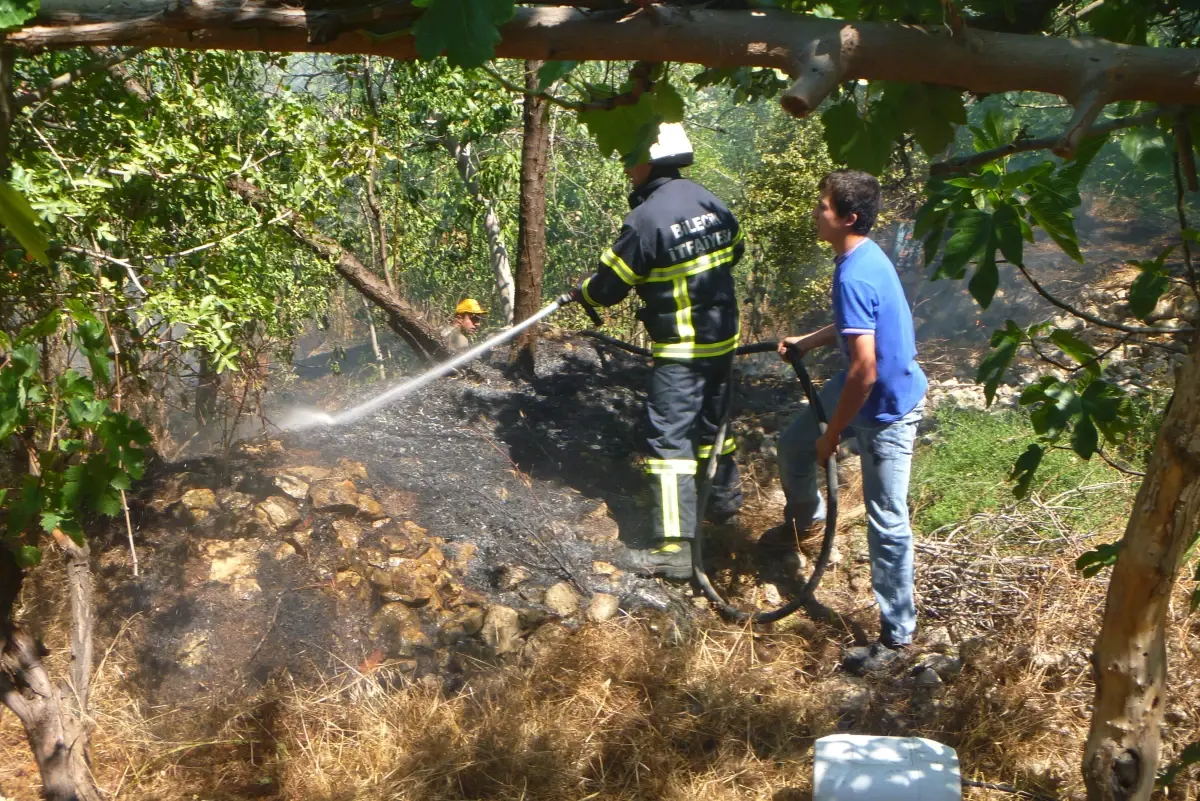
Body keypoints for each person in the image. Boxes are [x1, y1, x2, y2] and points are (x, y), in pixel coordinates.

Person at [573, 122, 744, 580]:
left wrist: (582, 293)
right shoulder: (711, 200)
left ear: (651, 161)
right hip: (722, 343)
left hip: (682, 350)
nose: (628, 168)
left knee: (668, 442)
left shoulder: (646, 219)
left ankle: (674, 548)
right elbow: (736, 250)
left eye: (632, 158)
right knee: (714, 428)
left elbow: (608, 288)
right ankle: (725, 506)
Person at [772, 169, 927, 673]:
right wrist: (808, 342)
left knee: (886, 519)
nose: (815, 213)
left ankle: (898, 637)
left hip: (886, 405)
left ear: (848, 217)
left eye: (823, 206)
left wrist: (834, 435)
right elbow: (853, 326)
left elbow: (864, 370)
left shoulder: (856, 272)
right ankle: (809, 521)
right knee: (794, 443)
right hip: (863, 387)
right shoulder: (859, 257)